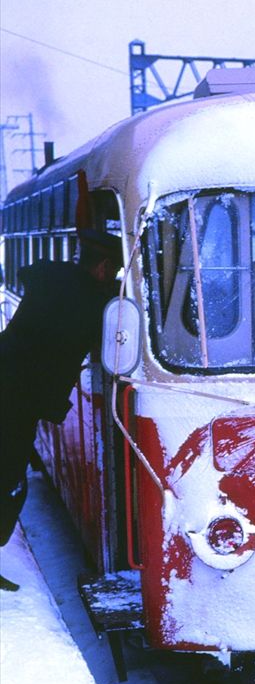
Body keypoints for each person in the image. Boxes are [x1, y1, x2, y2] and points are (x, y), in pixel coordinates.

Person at [0, 229, 122, 590]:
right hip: (14, 399)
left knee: (8, 482)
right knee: (10, 485)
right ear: (102, 267)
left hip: (12, 390)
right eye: (113, 269)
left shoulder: (53, 282)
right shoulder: (86, 301)